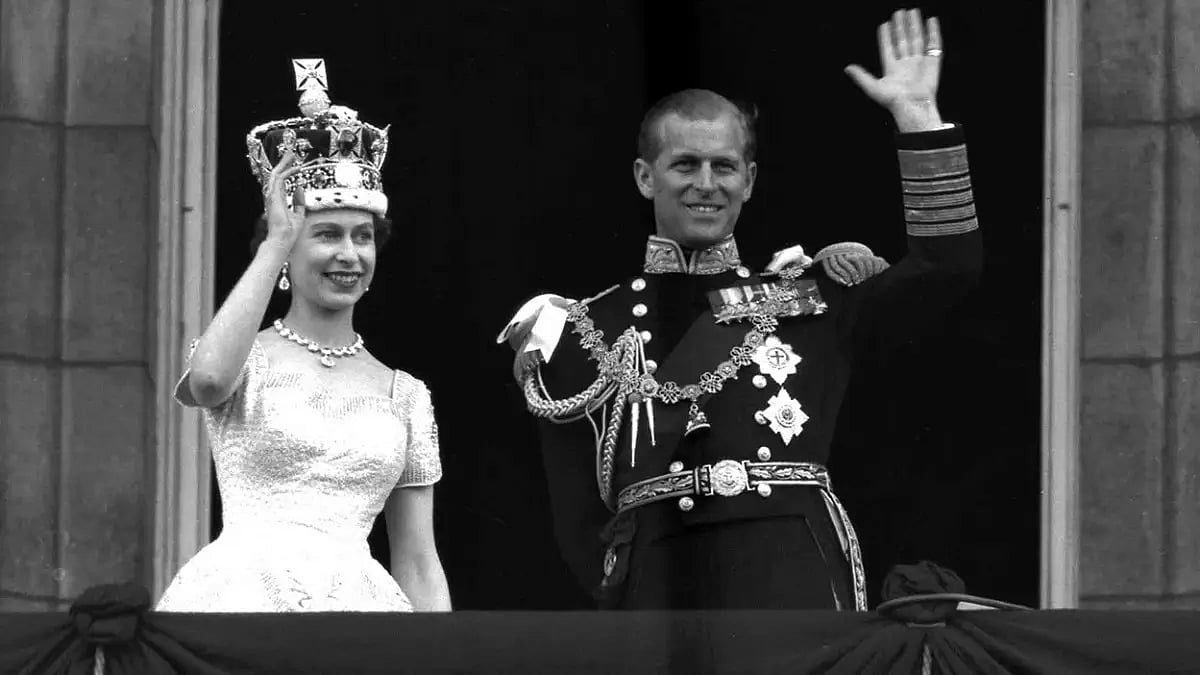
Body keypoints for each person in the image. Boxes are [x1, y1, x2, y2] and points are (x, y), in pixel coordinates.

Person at [499, 9, 980, 610]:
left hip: (790, 575)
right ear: (646, 177)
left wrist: (917, 116)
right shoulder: (579, 329)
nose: (707, 183)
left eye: (724, 166)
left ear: (749, 180)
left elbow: (948, 267)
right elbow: (576, 516)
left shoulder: (812, 298)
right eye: (685, 165)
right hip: (658, 587)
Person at [156, 59, 451, 612]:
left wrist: (442, 658)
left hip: (360, 614)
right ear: (288, 248)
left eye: (363, 236)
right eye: (326, 235)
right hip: (240, 603)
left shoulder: (406, 396)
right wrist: (276, 240)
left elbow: (417, 559)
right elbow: (210, 380)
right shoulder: (246, 357)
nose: (349, 254)